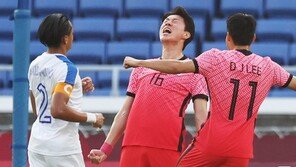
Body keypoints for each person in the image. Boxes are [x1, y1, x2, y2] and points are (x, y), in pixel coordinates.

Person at [123, 13, 296, 167]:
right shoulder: (269, 67)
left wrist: (139, 63)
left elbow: (176, 67)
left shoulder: (215, 58)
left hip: (210, 144)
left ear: (228, 37)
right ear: (253, 39)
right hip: (241, 150)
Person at [88, 7, 209, 167]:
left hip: (168, 148)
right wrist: (105, 149)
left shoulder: (195, 73)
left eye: (175, 21)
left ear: (186, 35)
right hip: (132, 145)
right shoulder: (141, 70)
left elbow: (201, 120)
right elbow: (125, 111)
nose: (168, 23)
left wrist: (204, 155)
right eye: (166, 21)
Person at [27, 13, 105, 167]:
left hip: (37, 145)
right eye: (72, 33)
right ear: (65, 38)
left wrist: (76, 89)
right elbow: (58, 109)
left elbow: (39, 107)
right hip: (61, 149)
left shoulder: (35, 64)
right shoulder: (67, 68)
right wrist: (93, 118)